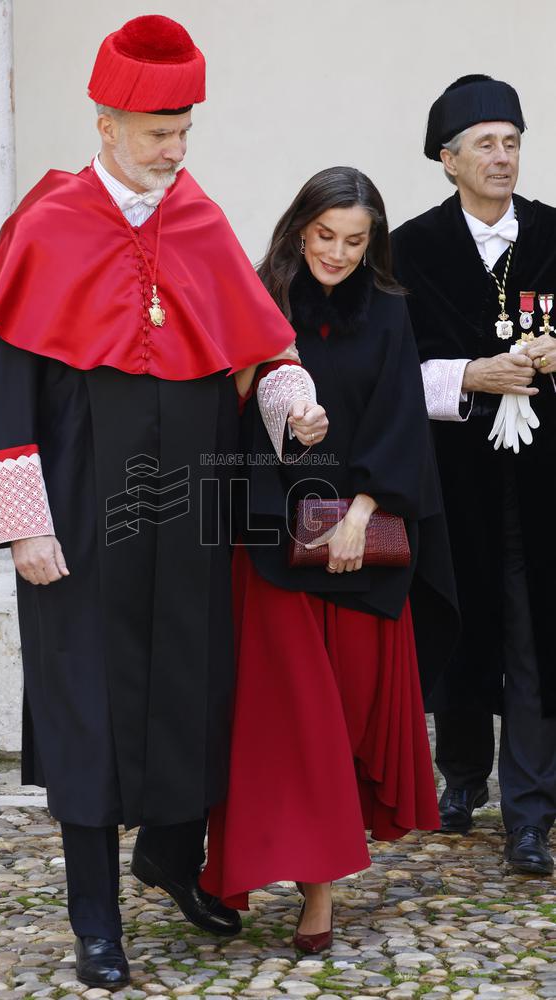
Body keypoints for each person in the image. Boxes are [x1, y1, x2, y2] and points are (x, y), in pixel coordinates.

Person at [0, 15, 328, 990]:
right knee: (89, 706)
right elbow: (3, 397)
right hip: (77, 519)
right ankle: (95, 922)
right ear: (106, 119)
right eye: (159, 132)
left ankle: (169, 855)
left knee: (190, 690)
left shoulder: (200, 219)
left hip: (192, 509)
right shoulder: (45, 226)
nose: (175, 151)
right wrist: (22, 521)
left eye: (185, 131)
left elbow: (262, 349)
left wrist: (298, 402)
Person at [199, 166, 458, 951]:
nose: (339, 253)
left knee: (338, 720)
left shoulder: (387, 310)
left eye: (356, 240)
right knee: (288, 722)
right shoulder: (258, 296)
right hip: (272, 539)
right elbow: (219, 408)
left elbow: (400, 419)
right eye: (325, 236)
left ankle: (320, 878)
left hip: (362, 548)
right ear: (299, 227)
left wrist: (363, 514)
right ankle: (308, 891)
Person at [391, 74, 556, 875]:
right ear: (449, 160)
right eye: (486, 144)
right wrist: (469, 377)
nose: (503, 156)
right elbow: (390, 372)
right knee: (461, 628)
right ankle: (460, 777)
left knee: (533, 640)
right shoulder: (409, 250)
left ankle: (530, 814)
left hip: (542, 486)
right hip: (452, 481)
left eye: (513, 141)